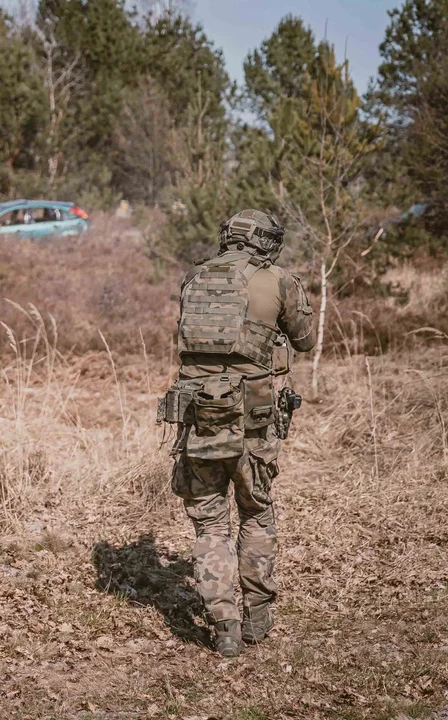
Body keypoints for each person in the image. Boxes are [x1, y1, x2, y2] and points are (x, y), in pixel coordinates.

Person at [159, 209, 314, 657]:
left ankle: (224, 623)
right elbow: (304, 340)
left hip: (200, 419)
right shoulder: (278, 280)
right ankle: (258, 615)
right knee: (256, 513)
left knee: (209, 522)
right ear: (266, 241)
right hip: (254, 421)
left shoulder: (194, 277)